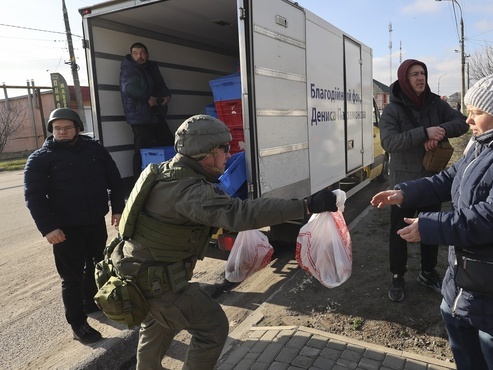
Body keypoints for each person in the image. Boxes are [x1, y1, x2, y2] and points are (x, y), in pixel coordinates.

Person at [371, 74, 493, 370]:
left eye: (476, 112)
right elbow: (451, 178)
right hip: (468, 278)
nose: (467, 120)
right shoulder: (487, 143)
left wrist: (430, 227)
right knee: (463, 346)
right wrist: (405, 193)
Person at [113, 114, 337, 369]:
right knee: (212, 327)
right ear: (206, 154)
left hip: (139, 273)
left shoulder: (167, 172)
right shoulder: (189, 190)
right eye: (224, 149)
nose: (229, 155)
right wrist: (305, 206)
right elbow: (240, 214)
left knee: (157, 326)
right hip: (157, 282)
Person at [24, 108, 125, 344]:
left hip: (94, 222)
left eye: (67, 127)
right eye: (57, 128)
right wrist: (48, 228)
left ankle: (91, 302)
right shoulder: (41, 159)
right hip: (65, 230)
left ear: (77, 128)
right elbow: (34, 197)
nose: (62, 132)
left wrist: (118, 209)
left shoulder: (94, 150)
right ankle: (77, 324)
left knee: (97, 265)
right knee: (71, 278)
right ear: (51, 130)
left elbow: (114, 178)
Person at [378, 59, 468, 301]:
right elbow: (389, 142)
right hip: (403, 183)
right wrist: (423, 134)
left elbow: (461, 123)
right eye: (414, 74)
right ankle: (398, 277)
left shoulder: (435, 103)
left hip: (431, 180)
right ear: (404, 79)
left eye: (423, 73)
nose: (420, 78)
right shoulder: (393, 110)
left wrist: (439, 132)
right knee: (399, 231)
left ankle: (428, 272)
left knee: (430, 227)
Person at [120, 42, 174, 180]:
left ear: (147, 54)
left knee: (169, 143)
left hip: (155, 114)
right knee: (141, 150)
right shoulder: (130, 69)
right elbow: (129, 89)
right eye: (136, 53)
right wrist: (147, 98)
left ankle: (168, 178)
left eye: (142, 53)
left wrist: (167, 96)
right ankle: (138, 183)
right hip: (140, 117)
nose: (139, 56)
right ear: (131, 55)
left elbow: (161, 85)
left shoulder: (151, 67)